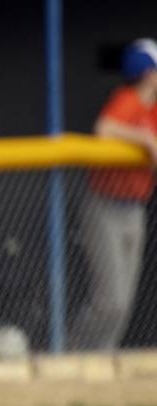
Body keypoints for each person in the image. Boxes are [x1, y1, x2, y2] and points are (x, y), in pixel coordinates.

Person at [69, 38, 157, 351]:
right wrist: (143, 138)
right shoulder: (128, 98)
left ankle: (102, 361)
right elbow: (104, 128)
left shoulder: (154, 108)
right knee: (110, 300)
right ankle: (72, 357)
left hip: (134, 208)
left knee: (125, 303)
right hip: (104, 206)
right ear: (149, 73)